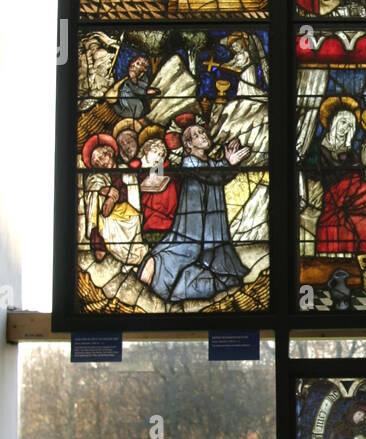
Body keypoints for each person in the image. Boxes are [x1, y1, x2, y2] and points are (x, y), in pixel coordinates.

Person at [138, 122, 251, 303]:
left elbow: (220, 176)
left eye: (203, 132)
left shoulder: (212, 164)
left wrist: (228, 164)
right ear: (189, 144)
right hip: (192, 232)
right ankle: (155, 269)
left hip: (212, 232)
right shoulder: (189, 162)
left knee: (228, 278)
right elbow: (212, 176)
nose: (204, 135)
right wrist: (228, 163)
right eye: (197, 135)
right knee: (182, 255)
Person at [301, 96, 366, 254]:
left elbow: (359, 182)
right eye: (342, 122)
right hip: (322, 197)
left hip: (349, 201)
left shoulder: (352, 154)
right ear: (333, 123)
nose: (345, 128)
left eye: (349, 125)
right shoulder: (314, 147)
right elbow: (310, 176)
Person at [81, 134, 145, 272]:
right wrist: (104, 191)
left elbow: (133, 193)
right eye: (97, 162)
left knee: (133, 220)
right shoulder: (98, 177)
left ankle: (133, 258)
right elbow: (93, 187)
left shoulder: (125, 169)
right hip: (109, 217)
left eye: (103, 156)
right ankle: (130, 258)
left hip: (128, 212)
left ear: (110, 152)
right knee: (102, 245)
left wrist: (114, 196)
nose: (102, 162)